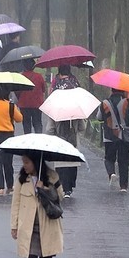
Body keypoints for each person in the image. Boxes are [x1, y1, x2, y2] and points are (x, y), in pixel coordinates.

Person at [10, 152, 64, 258]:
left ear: (35, 162)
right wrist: (14, 226)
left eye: (27, 162)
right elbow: (16, 204)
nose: (24, 165)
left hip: (48, 225)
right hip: (28, 226)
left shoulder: (52, 176)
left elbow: (60, 197)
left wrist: (45, 188)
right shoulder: (22, 180)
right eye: (23, 162)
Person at [47, 65, 83, 195]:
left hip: (59, 140)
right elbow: (82, 127)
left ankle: (61, 186)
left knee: (60, 164)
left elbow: (49, 129)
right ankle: (69, 188)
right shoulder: (76, 105)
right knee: (72, 163)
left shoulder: (55, 104)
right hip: (73, 139)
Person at [100, 88, 129, 191]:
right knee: (124, 161)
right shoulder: (127, 102)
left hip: (109, 136)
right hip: (123, 136)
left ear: (112, 90)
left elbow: (99, 117)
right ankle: (123, 186)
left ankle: (111, 173)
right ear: (123, 91)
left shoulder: (105, 102)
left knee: (109, 158)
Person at [16, 58, 46, 134]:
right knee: (37, 123)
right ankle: (38, 140)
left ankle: (27, 141)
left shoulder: (20, 77)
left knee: (26, 125)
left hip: (24, 104)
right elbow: (43, 89)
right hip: (37, 104)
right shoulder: (39, 76)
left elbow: (17, 91)